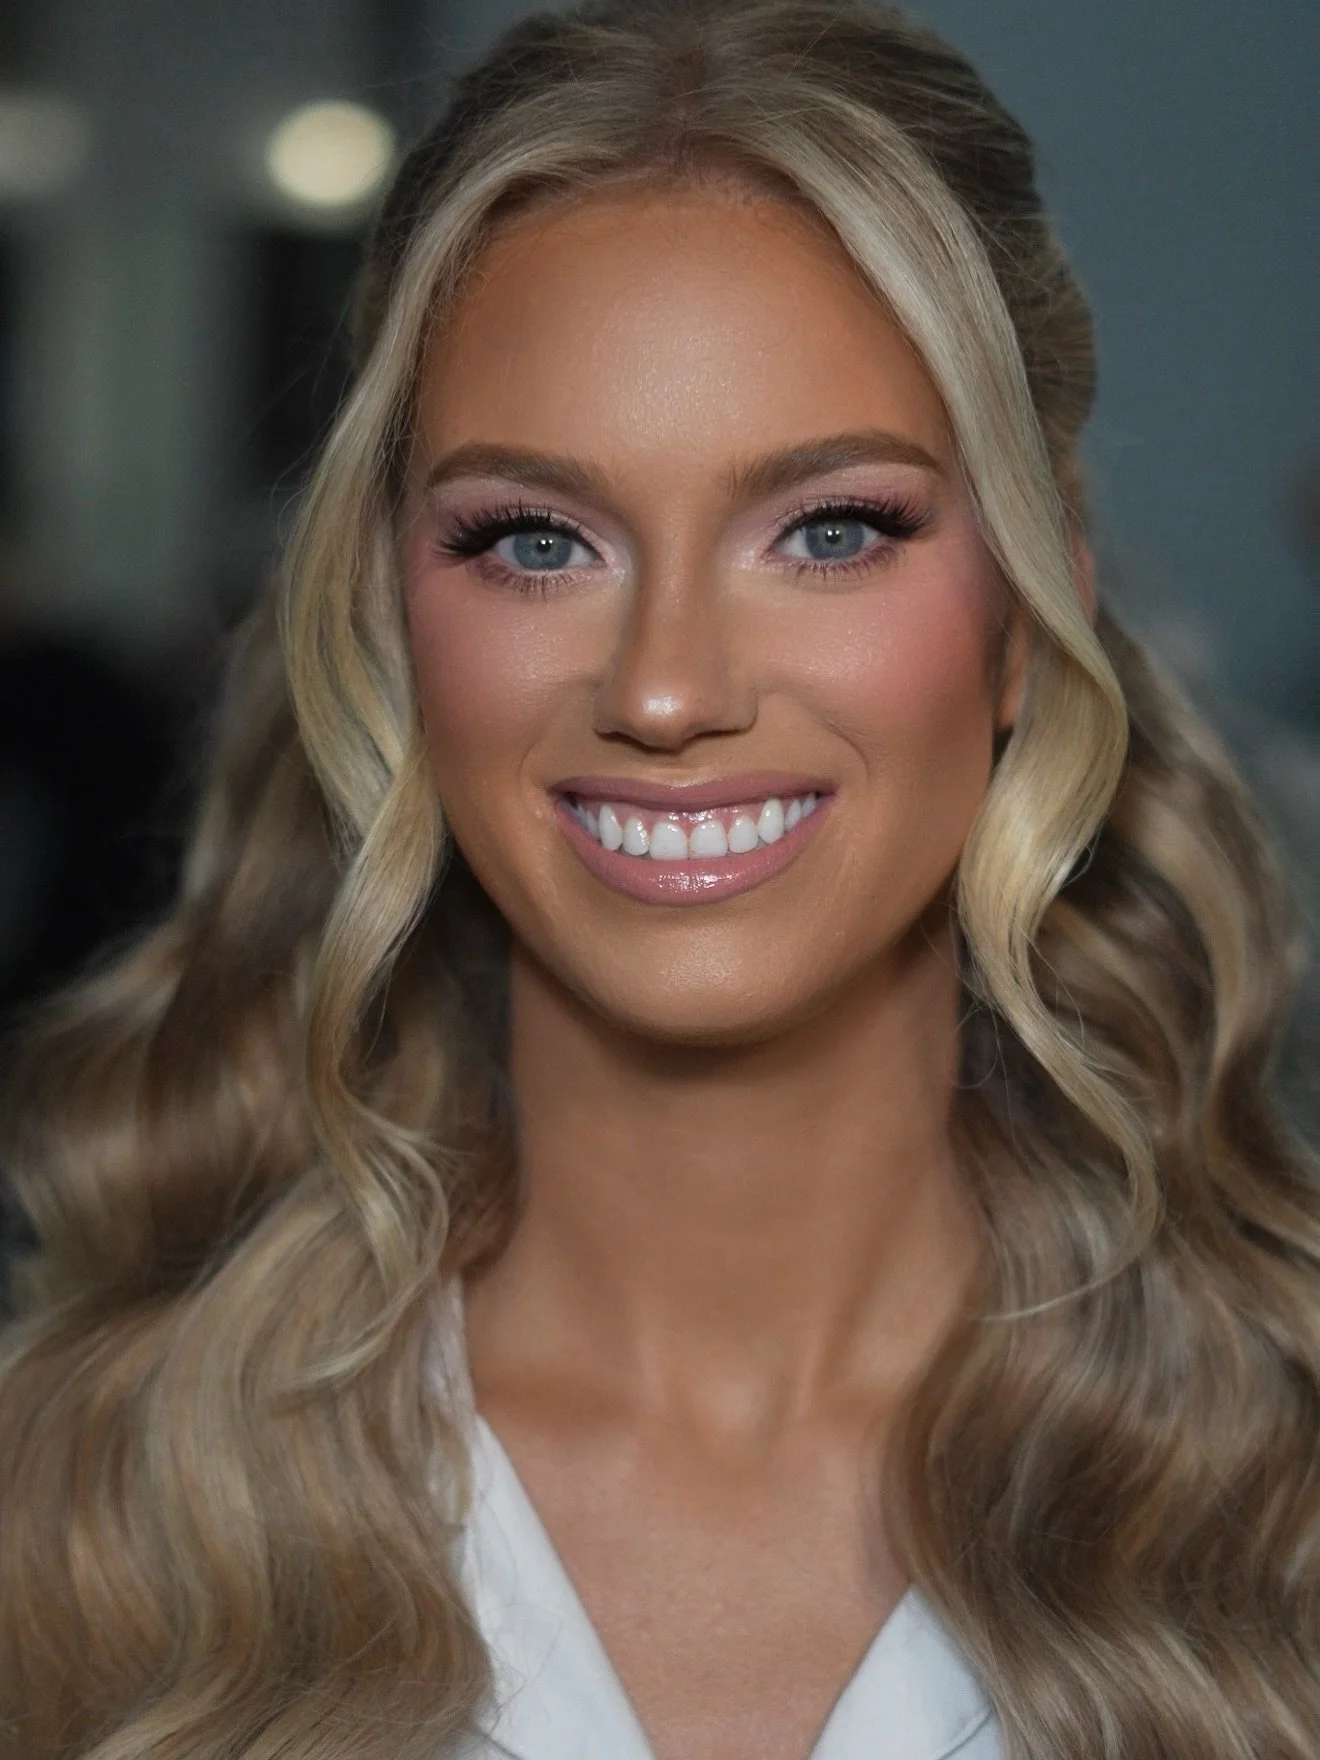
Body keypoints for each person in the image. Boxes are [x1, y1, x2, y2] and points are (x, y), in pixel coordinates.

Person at [1, 1, 1317, 1755]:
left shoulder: (1282, 1486)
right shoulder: (75, 1512)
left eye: (830, 528)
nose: (669, 688)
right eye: (534, 541)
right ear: (396, 616)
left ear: (1034, 606)